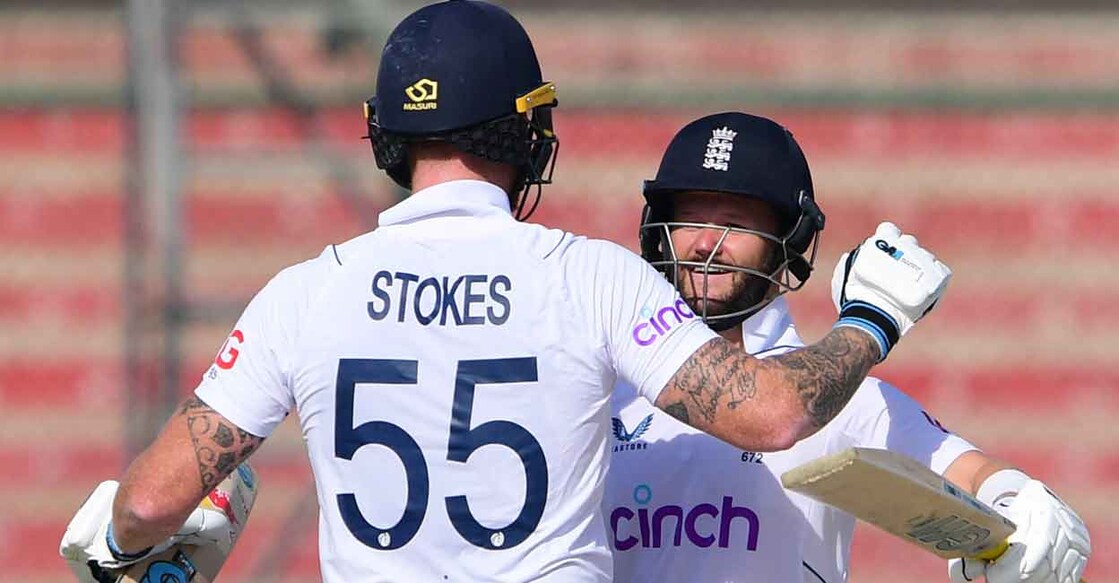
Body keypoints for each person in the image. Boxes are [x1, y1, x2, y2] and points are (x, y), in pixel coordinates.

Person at [58, 3, 951, 582]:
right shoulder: (589, 275)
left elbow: (146, 502)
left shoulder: (303, 293)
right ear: (525, 136)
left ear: (385, 138)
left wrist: (126, 548)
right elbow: (773, 413)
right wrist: (871, 321)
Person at [603, 111, 1091, 583]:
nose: (706, 243)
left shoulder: (845, 402)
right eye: (689, 218)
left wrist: (1020, 504)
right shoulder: (608, 392)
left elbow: (971, 474)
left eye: (735, 222)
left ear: (788, 242)